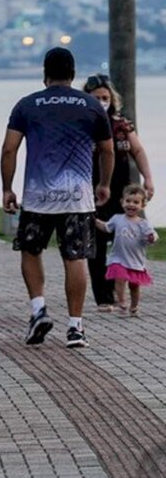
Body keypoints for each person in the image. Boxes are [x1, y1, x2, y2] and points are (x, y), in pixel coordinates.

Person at [1, 47, 114, 349]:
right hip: (78, 197)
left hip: (37, 196)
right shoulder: (92, 105)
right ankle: (75, 328)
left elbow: (9, 149)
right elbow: (107, 150)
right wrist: (103, 184)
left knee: (30, 250)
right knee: (74, 257)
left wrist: (7, 188)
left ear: (44, 73)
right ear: (73, 73)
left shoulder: (26, 105)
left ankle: (38, 310)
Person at [80, 74, 156, 311]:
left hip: (123, 192)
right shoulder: (82, 123)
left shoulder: (121, 124)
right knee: (97, 244)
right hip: (93, 190)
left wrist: (148, 178)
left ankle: (119, 286)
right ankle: (103, 297)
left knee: (125, 240)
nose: (102, 101)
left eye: (105, 97)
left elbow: (138, 150)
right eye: (97, 97)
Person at [97, 184, 157, 316]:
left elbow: (152, 237)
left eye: (136, 202)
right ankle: (122, 303)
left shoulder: (143, 223)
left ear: (142, 205)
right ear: (122, 202)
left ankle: (134, 307)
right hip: (118, 258)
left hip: (135, 261)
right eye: (128, 201)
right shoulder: (117, 219)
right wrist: (95, 222)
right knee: (119, 277)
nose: (131, 205)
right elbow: (107, 227)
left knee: (134, 286)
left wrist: (152, 238)